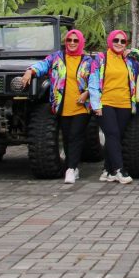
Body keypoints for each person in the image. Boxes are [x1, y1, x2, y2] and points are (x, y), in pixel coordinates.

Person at [20, 29, 95, 184]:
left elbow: (96, 80)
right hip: (62, 105)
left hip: (82, 106)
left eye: (75, 40)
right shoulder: (57, 58)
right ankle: (73, 167)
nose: (72, 43)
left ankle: (70, 169)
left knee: (76, 136)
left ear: (81, 42)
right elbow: (42, 65)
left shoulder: (88, 61)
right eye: (69, 40)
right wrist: (30, 71)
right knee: (67, 137)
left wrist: (87, 93)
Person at [88, 30, 139, 184]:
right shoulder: (101, 58)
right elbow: (93, 81)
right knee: (112, 134)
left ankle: (107, 170)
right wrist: (96, 104)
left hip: (124, 104)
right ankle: (119, 170)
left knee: (117, 137)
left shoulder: (129, 61)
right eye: (116, 40)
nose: (119, 43)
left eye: (123, 41)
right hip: (106, 103)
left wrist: (134, 52)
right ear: (110, 41)